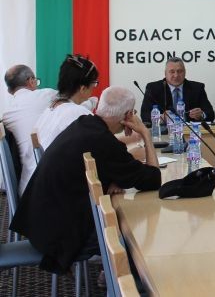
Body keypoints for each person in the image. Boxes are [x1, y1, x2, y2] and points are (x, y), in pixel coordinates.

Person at [11, 86, 161, 274]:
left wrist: (113, 178)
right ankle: (123, 281)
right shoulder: (104, 142)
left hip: (38, 221)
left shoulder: (84, 123)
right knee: (130, 238)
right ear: (128, 115)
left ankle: (112, 276)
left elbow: (112, 160)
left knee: (121, 222)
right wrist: (146, 134)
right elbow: (154, 179)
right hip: (57, 237)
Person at [2, 65, 59, 193]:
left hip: (25, 187)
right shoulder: (48, 95)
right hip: (47, 187)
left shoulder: (6, 115)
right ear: (31, 81)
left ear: (9, 91)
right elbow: (77, 104)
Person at [35, 54, 99, 150]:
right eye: (94, 83)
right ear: (83, 88)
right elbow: (101, 144)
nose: (94, 87)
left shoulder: (50, 109)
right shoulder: (80, 115)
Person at [140, 57, 215, 123]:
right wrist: (161, 118)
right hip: (165, 132)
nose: (176, 75)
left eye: (180, 71)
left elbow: (210, 114)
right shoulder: (153, 88)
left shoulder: (197, 88)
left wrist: (202, 115)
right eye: (172, 72)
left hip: (191, 131)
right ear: (165, 73)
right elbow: (144, 115)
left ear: (185, 72)